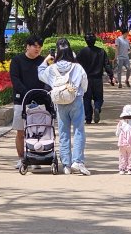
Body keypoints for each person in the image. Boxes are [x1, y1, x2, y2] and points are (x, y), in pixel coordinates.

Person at [39, 38, 90, 175]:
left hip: (60, 103)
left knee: (63, 133)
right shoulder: (77, 67)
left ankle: (66, 165)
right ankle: (77, 161)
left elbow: (40, 73)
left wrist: (46, 60)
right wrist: (79, 93)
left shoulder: (52, 68)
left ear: (57, 52)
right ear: (70, 51)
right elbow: (84, 84)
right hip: (76, 99)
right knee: (79, 131)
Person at [9, 35, 45, 169]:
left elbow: (46, 79)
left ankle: (36, 156)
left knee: (38, 130)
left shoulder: (43, 62)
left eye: (39, 47)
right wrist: (27, 94)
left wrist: (42, 93)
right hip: (21, 101)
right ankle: (21, 158)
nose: (38, 49)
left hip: (40, 101)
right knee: (21, 131)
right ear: (27, 46)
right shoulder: (17, 60)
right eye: (35, 46)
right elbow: (15, 79)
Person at [76, 33, 114, 124]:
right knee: (99, 98)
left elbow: (76, 65)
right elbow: (107, 65)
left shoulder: (82, 52)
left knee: (86, 98)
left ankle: (88, 118)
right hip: (97, 79)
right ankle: (97, 108)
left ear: (86, 41)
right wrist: (111, 76)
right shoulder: (101, 51)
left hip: (86, 79)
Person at [116, 105, 131, 174]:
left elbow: (117, 133)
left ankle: (122, 169)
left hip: (122, 142)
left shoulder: (120, 122)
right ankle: (130, 169)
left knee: (122, 156)